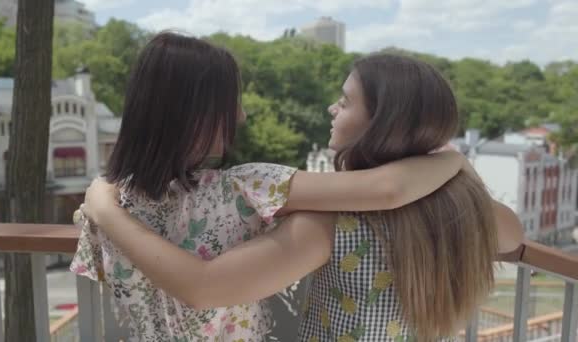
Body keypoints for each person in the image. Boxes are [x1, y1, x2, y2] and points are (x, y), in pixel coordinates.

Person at [79, 52, 524, 341]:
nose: (333, 108)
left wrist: (104, 208)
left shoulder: (329, 224)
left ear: (382, 124)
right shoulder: (465, 210)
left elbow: (205, 287)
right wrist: (455, 163)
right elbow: (511, 235)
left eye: (345, 102)